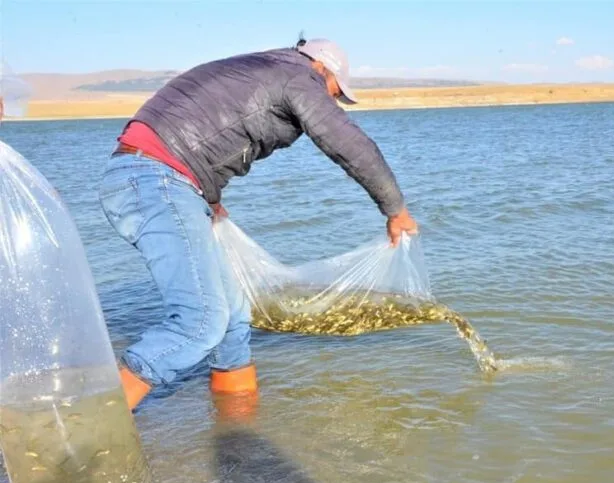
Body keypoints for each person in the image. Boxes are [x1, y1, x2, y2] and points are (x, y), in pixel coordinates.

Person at [98, 37, 418, 420]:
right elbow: (348, 144)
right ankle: (92, 422)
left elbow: (202, 127)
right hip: (154, 180)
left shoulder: (260, 67)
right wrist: (395, 210)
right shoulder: (299, 77)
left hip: (164, 179)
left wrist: (208, 197)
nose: (331, 102)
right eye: (334, 93)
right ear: (322, 69)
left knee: (233, 319)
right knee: (201, 321)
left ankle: (239, 427)